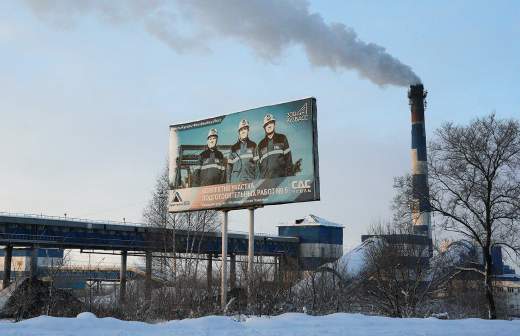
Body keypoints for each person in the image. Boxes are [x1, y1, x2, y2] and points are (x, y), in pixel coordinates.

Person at [256, 114, 293, 179]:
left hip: (281, 180)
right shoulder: (260, 144)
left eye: (271, 123)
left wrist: (289, 179)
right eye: (266, 124)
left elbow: (289, 160)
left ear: (274, 124)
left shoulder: (282, 138)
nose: (269, 125)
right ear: (264, 127)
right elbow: (259, 167)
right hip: (265, 183)